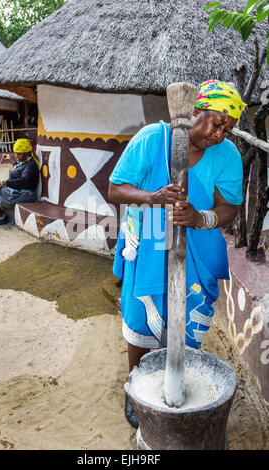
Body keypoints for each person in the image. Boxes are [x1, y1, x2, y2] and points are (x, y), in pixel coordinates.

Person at [108, 80, 246, 428]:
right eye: (217, 123)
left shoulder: (228, 155)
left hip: (197, 248)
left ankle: (174, 379)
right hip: (150, 238)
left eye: (227, 129)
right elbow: (115, 188)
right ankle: (135, 389)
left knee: (186, 317)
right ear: (196, 110)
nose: (220, 134)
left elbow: (229, 208)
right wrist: (152, 198)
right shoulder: (153, 139)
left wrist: (201, 218)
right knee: (141, 318)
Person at [0, 138, 40, 226]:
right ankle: (0, 215)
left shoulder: (31, 165)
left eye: (19, 154)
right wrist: (11, 160)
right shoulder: (26, 161)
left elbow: (25, 181)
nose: (16, 155)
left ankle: (0, 217)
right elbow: (19, 169)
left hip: (24, 194)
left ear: (27, 153)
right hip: (17, 191)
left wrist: (3, 183)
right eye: (15, 153)